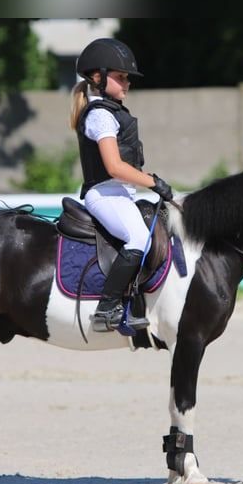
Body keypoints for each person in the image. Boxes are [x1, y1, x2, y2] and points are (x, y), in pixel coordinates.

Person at [69, 38, 174, 333]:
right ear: (98, 78)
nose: (127, 83)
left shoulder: (113, 112)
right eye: (121, 77)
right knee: (138, 238)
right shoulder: (100, 115)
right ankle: (107, 307)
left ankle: (138, 299)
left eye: (127, 78)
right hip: (104, 195)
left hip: (121, 195)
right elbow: (114, 167)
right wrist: (154, 183)